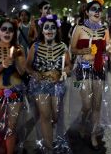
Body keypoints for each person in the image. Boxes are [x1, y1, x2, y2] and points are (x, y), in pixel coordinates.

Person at [70, 0, 111, 150]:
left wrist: (109, 51)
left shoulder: (105, 29)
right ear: (87, 12)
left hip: (99, 69)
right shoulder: (80, 28)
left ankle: (94, 134)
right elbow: (72, 49)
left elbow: (108, 48)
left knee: (96, 104)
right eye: (94, 9)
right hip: (82, 69)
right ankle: (83, 122)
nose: (97, 12)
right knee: (87, 104)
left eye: (99, 10)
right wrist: (84, 50)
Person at [26, 14, 71, 153]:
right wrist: (35, 74)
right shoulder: (35, 46)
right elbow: (28, 66)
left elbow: (69, 66)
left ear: (57, 30)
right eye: (46, 27)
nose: (50, 30)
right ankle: (49, 148)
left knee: (56, 115)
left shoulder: (63, 46)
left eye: (52, 27)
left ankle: (54, 137)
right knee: (45, 115)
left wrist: (62, 73)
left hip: (58, 86)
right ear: (43, 31)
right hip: (40, 86)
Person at [0, 18, 26, 154]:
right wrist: (2, 65)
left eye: (11, 30)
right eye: (4, 29)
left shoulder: (19, 49)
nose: (7, 32)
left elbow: (22, 73)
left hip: (15, 91)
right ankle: (1, 149)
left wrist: (15, 61)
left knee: (11, 127)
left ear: (14, 33)